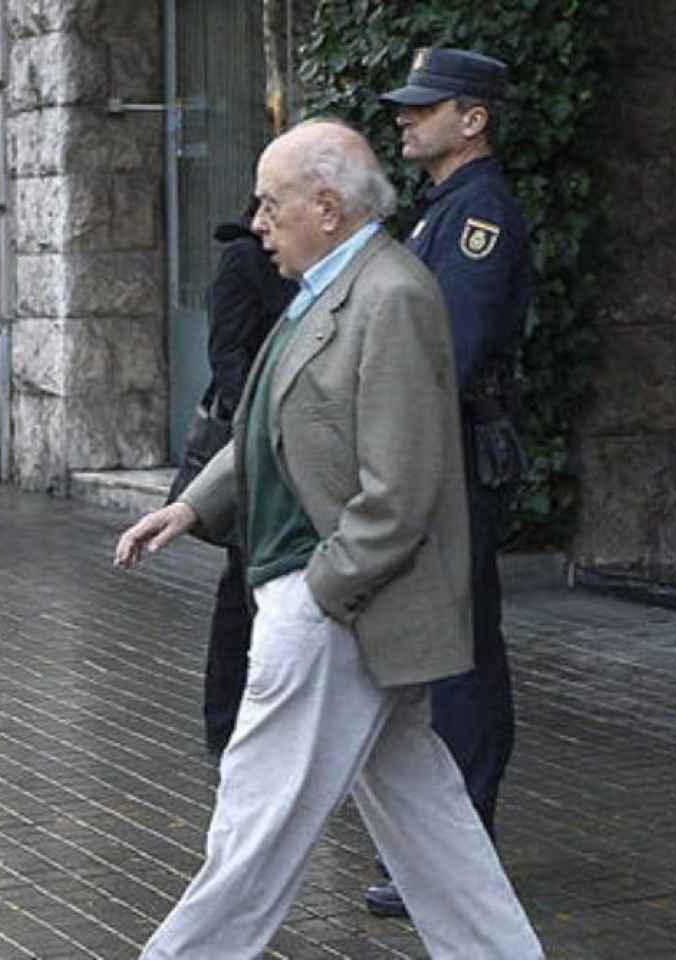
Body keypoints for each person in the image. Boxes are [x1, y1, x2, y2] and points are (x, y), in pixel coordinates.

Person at [114, 119, 542, 959]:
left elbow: (400, 490)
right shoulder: (327, 286)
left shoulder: (392, 296)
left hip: (336, 608)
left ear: (329, 205)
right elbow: (273, 422)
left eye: (272, 205)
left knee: (257, 821)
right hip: (329, 600)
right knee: (429, 819)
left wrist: (318, 595)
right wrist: (193, 507)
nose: (259, 222)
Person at [363, 45, 534, 918]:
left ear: (474, 119)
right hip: (440, 449)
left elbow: (449, 355)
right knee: (449, 648)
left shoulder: (480, 217)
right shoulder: (442, 210)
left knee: (463, 653)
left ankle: (462, 845)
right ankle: (441, 848)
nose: (404, 119)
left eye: (424, 107)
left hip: (458, 452)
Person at [190, 204, 296, 757]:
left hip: (295, 446)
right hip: (256, 445)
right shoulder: (243, 258)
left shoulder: (314, 267)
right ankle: (226, 721)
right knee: (243, 583)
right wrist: (256, 428)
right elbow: (227, 352)